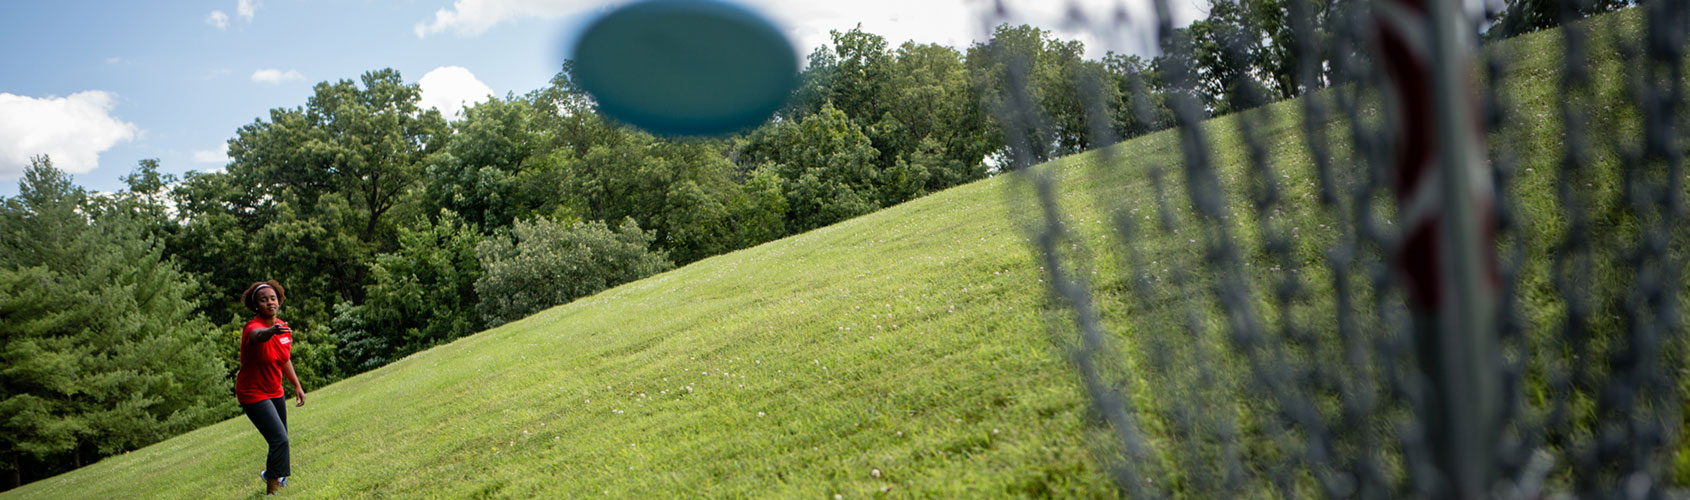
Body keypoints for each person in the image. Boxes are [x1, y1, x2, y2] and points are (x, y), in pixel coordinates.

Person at [234, 280, 307, 495]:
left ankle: (272, 474)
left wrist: (297, 385)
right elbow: (258, 337)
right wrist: (271, 331)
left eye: (273, 298)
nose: (269, 302)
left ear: (279, 300)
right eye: (263, 300)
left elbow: (284, 359)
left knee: (280, 438)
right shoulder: (253, 328)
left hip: (275, 390)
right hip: (252, 393)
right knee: (279, 439)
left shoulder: (283, 328)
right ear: (256, 305)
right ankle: (271, 492)